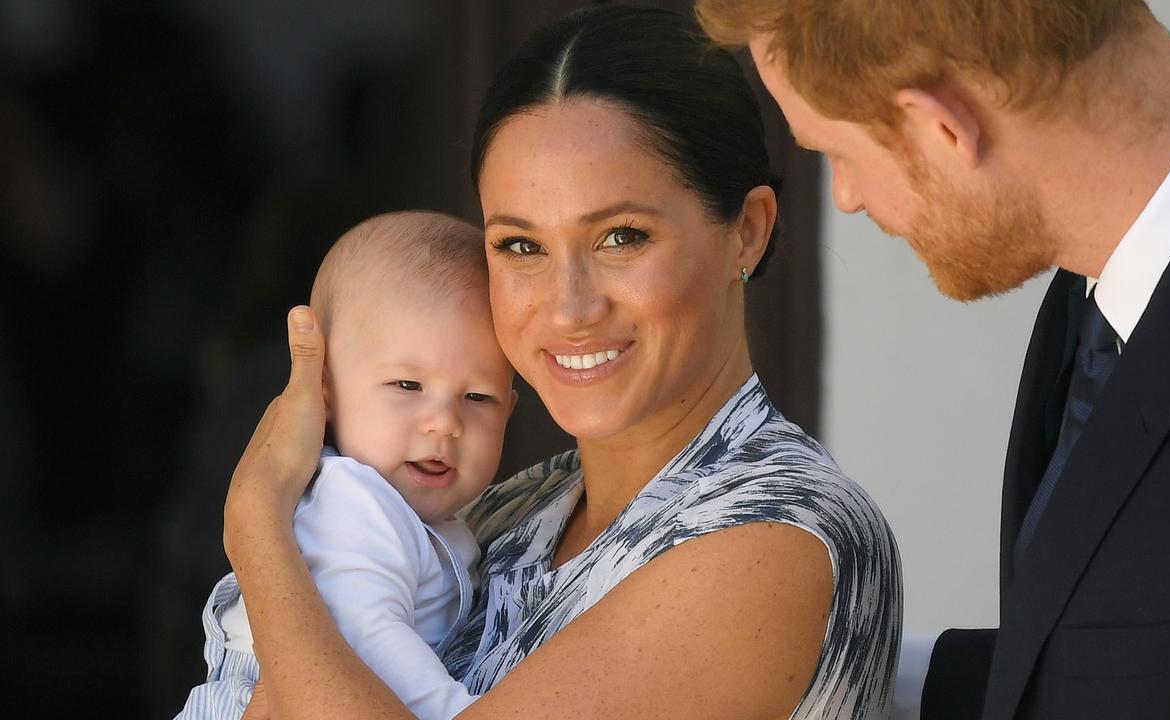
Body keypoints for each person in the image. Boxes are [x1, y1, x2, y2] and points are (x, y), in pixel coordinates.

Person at [221, 6, 901, 720]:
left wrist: (258, 523)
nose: (568, 308)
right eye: (521, 246)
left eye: (620, 236)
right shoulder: (513, 509)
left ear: (747, 232)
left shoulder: (772, 538)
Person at [695, 0, 1170, 718]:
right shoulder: (1111, 273)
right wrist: (805, 668)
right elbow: (1153, 664)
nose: (845, 198)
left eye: (836, 155)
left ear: (944, 127)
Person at [176, 211, 517, 719]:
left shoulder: (423, 517)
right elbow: (367, 640)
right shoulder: (353, 503)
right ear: (325, 393)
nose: (444, 423)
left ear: (510, 409)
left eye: (478, 397)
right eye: (407, 386)